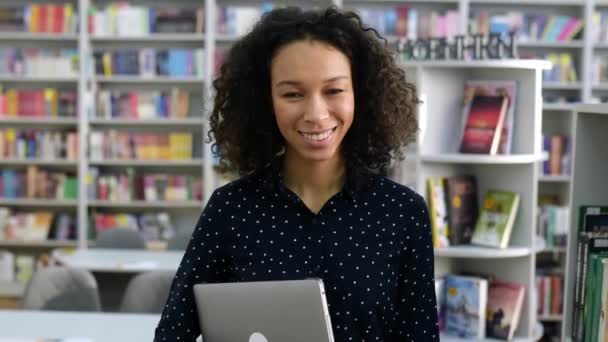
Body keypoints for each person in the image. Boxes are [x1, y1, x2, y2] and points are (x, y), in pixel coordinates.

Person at [154, 6, 438, 342]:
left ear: (360, 94)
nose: (316, 114)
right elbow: (173, 333)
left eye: (334, 91)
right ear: (265, 101)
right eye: (292, 94)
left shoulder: (402, 213)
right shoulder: (230, 209)